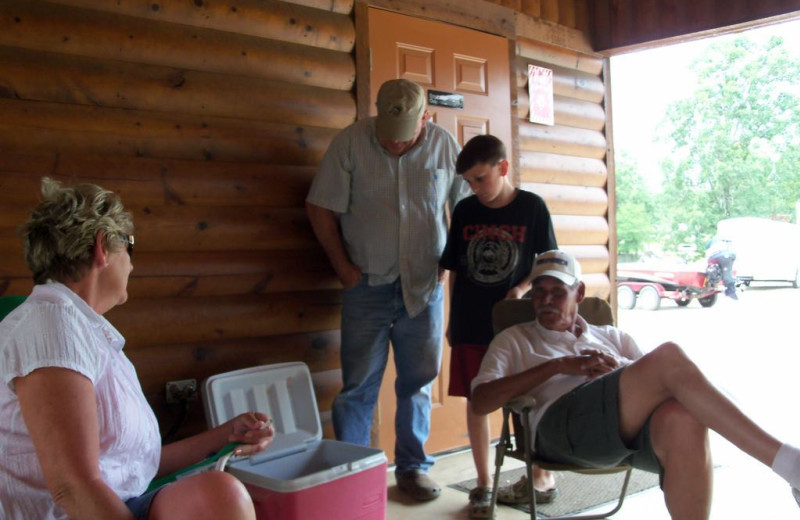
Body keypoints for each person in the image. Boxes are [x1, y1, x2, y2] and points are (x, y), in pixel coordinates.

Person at [0, 178, 275, 520]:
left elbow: (132, 465)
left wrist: (223, 435)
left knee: (216, 496)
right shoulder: (50, 325)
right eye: (129, 245)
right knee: (222, 496)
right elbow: (71, 487)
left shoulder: (86, 332)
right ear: (102, 246)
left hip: (122, 503)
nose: (131, 263)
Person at [471, 249, 800, 518]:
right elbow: (481, 402)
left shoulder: (611, 336)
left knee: (681, 418)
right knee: (669, 355)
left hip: (616, 433)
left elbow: (665, 380)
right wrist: (558, 366)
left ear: (580, 293)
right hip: (556, 430)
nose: (546, 301)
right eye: (539, 293)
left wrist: (619, 370)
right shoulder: (514, 339)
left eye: (558, 292)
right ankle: (790, 464)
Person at [305, 78, 471, 501]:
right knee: (358, 386)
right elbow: (319, 205)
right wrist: (342, 267)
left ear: (426, 119)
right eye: (389, 137)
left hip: (423, 287)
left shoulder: (445, 145)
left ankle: (413, 469)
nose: (396, 145)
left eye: (406, 137)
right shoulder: (350, 143)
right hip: (366, 287)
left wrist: (449, 265)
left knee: (417, 382)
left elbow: (464, 210)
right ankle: (353, 475)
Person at [438, 134, 557, 518]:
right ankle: (483, 483)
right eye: (469, 182)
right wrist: (452, 320)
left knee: (530, 401)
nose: (475, 188)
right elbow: (454, 269)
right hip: (471, 322)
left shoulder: (532, 208)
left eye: (480, 178)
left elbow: (549, 262)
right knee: (478, 401)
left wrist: (522, 288)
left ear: (503, 168)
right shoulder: (466, 210)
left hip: (517, 324)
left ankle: (539, 476)